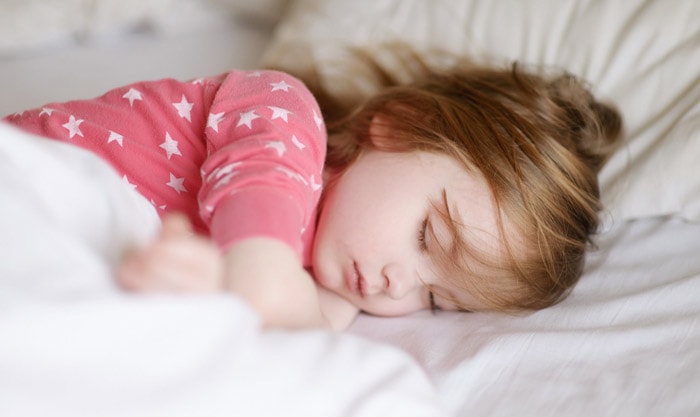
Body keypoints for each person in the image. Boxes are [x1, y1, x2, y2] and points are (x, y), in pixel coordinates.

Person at [4, 49, 623, 330]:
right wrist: (288, 305)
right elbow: (263, 253)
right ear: (400, 124)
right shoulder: (282, 114)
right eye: (426, 236)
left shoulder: (333, 286)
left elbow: (295, 341)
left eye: (437, 300)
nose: (396, 283)